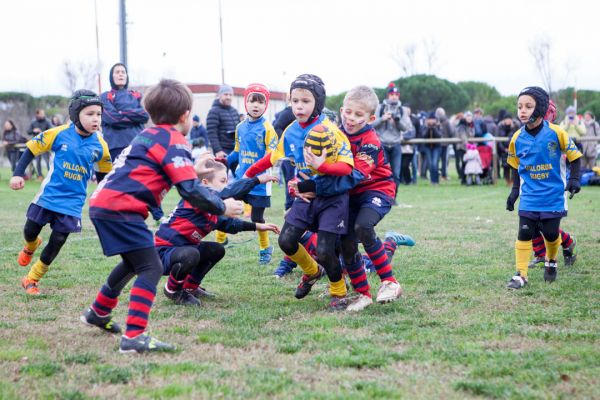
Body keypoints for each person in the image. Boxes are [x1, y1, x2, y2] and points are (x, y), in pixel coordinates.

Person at [80, 79, 243, 354]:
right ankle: (134, 336)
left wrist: (195, 171)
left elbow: (170, 174)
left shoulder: (148, 135)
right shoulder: (175, 140)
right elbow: (190, 190)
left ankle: (98, 311)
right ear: (185, 116)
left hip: (104, 203)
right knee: (151, 267)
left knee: (134, 263)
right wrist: (222, 206)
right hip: (123, 208)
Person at [243, 74, 354, 310]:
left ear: (318, 103)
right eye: (295, 101)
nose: (299, 106)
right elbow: (272, 157)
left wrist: (323, 167)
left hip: (331, 199)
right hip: (304, 197)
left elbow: (346, 167)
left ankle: (339, 291)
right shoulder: (291, 131)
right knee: (286, 240)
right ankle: (312, 272)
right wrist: (248, 174)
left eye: (305, 101)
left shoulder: (330, 131)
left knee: (324, 250)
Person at [303, 86, 404, 311]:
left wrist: (319, 178)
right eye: (348, 112)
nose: (351, 118)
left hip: (377, 190)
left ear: (371, 118)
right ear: (341, 110)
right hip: (349, 195)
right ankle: (363, 294)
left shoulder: (370, 142)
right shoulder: (334, 134)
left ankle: (390, 282)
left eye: (359, 115)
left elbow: (354, 175)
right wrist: (303, 182)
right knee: (346, 244)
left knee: (362, 226)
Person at [10, 90, 112, 295]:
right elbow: (31, 148)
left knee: (57, 241)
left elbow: (104, 174)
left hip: (73, 203)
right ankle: (30, 246)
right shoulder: (58, 133)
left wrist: (104, 197)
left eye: (98, 114)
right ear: (76, 115)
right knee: (30, 231)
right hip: (48, 196)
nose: (95, 119)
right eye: (90, 114)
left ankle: (32, 278)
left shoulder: (100, 146)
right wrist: (18, 174)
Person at [156, 159, 280, 305]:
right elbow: (228, 192)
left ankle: (190, 287)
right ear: (205, 183)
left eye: (226, 181)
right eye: (222, 181)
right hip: (163, 252)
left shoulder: (211, 208)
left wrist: (258, 226)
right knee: (191, 253)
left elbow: (229, 225)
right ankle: (173, 290)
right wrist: (256, 180)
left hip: (183, 249)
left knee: (216, 250)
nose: (225, 186)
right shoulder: (199, 198)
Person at [505, 86, 582, 289]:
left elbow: (575, 157)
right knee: (524, 232)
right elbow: (514, 166)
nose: (522, 110)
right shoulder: (516, 138)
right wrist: (514, 192)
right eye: (520, 106)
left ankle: (551, 260)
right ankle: (521, 275)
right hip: (529, 196)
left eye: (528, 106)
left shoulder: (557, 133)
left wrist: (574, 180)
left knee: (550, 232)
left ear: (539, 108)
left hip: (553, 195)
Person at [225, 83, 279, 264]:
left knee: (257, 217)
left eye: (260, 102)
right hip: (242, 179)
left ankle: (265, 249)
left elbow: (272, 156)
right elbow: (237, 151)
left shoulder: (268, 129)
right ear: (246, 104)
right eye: (252, 101)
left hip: (260, 182)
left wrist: (255, 172)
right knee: (225, 207)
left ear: (266, 105)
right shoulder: (240, 127)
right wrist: (224, 161)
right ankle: (220, 240)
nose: (256, 105)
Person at [373, 83, 414, 203]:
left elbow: (406, 128)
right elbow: (371, 125)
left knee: (396, 173)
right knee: (382, 173)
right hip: (383, 144)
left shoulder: (402, 110)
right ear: (388, 95)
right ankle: (381, 196)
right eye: (392, 94)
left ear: (399, 96)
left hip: (396, 144)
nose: (394, 97)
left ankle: (393, 198)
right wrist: (382, 119)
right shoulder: (379, 108)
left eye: (396, 94)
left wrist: (398, 121)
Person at [100, 63, 149, 162]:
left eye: (123, 72)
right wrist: (135, 117)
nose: (121, 74)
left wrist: (121, 112)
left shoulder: (137, 95)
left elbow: (145, 115)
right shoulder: (105, 96)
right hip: (116, 147)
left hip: (139, 145)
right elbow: (113, 119)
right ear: (111, 76)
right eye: (117, 72)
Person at [272, 104, 297, 211]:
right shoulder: (289, 112)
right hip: (288, 154)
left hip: (298, 153)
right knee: (290, 180)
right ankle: (289, 206)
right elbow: (277, 126)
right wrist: (287, 141)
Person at [206, 84, 239, 160]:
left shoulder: (234, 111)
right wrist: (218, 150)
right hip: (223, 151)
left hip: (236, 150)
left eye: (230, 95)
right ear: (220, 95)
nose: (228, 97)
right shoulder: (214, 111)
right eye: (226, 94)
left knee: (238, 172)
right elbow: (212, 133)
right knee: (223, 172)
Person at [27, 109, 52, 180]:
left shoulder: (47, 121)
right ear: (37, 114)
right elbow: (28, 131)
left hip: (45, 144)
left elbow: (52, 130)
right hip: (37, 144)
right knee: (38, 161)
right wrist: (33, 131)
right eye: (41, 114)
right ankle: (40, 176)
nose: (42, 115)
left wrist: (42, 132)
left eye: (43, 113)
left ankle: (50, 175)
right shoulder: (33, 122)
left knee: (47, 161)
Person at [496, 113, 520, 185]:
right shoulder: (500, 127)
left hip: (513, 149)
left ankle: (513, 181)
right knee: (505, 166)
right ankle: (507, 181)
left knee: (513, 166)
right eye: (506, 119)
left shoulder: (515, 127)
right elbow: (498, 139)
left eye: (509, 119)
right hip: (504, 150)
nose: (508, 121)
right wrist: (503, 149)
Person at [455, 111, 476, 184]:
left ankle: (467, 179)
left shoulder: (471, 125)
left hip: (468, 147)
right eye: (467, 116)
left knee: (468, 163)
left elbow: (472, 135)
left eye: (470, 116)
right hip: (462, 147)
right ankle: (463, 179)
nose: (469, 118)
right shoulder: (462, 126)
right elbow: (463, 136)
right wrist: (468, 145)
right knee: (464, 163)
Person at [421, 112, 442, 184]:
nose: (431, 121)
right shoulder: (425, 126)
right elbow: (423, 135)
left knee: (435, 163)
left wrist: (434, 128)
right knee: (430, 164)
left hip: (436, 147)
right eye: (430, 119)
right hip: (427, 147)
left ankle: (436, 180)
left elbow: (439, 135)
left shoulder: (438, 126)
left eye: (433, 119)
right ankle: (432, 180)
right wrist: (428, 128)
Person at [436, 107, 454, 181]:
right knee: (444, 160)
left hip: (436, 144)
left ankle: (436, 175)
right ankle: (444, 175)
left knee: (436, 160)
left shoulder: (435, 121)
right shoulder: (447, 121)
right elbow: (451, 132)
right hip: (445, 144)